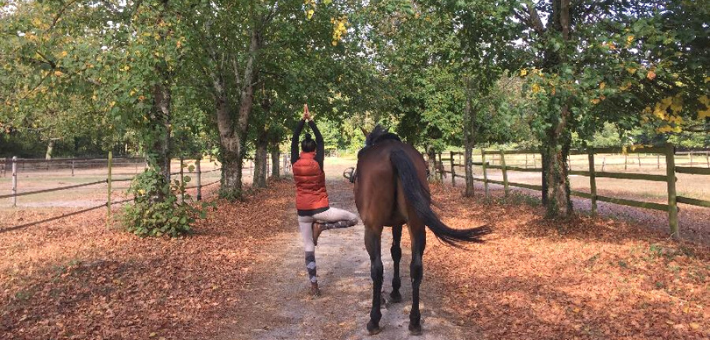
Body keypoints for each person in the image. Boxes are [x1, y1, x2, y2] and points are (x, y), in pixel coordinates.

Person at [292, 104, 358, 296]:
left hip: (303, 212)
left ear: (301, 149)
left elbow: (295, 139)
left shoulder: (295, 161)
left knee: (308, 246)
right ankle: (323, 227)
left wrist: (302, 120)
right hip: (321, 209)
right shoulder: (317, 161)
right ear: (314, 150)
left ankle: (314, 286)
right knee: (353, 219)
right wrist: (310, 120)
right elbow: (320, 140)